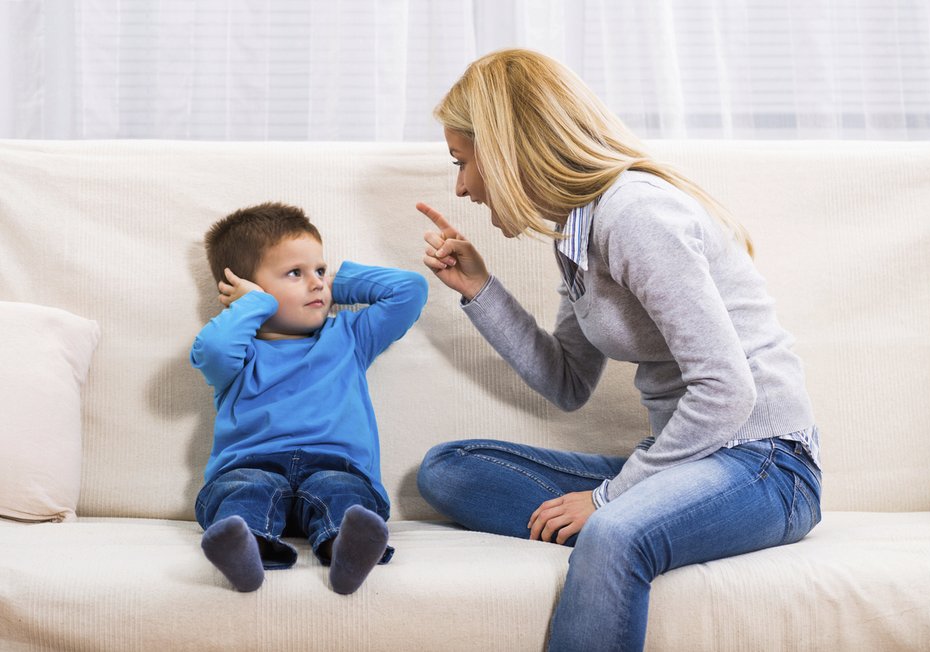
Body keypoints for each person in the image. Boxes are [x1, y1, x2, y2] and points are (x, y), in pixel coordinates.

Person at [414, 48, 821, 651]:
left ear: (505, 152)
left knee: (612, 533)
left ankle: (641, 527)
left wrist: (608, 500)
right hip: (684, 460)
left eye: (463, 162)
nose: (462, 187)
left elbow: (729, 390)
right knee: (450, 470)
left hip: (763, 463)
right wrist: (479, 288)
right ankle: (665, 521)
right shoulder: (576, 231)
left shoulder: (635, 215)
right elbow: (568, 381)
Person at [191, 201, 427, 594]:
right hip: (251, 465)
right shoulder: (241, 353)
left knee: (341, 492)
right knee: (245, 490)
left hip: (337, 467)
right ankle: (245, 552)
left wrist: (336, 282)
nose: (316, 282)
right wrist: (255, 304)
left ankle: (346, 550)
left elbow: (410, 291)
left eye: (318, 269)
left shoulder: (349, 336)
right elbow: (211, 350)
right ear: (246, 289)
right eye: (295, 273)